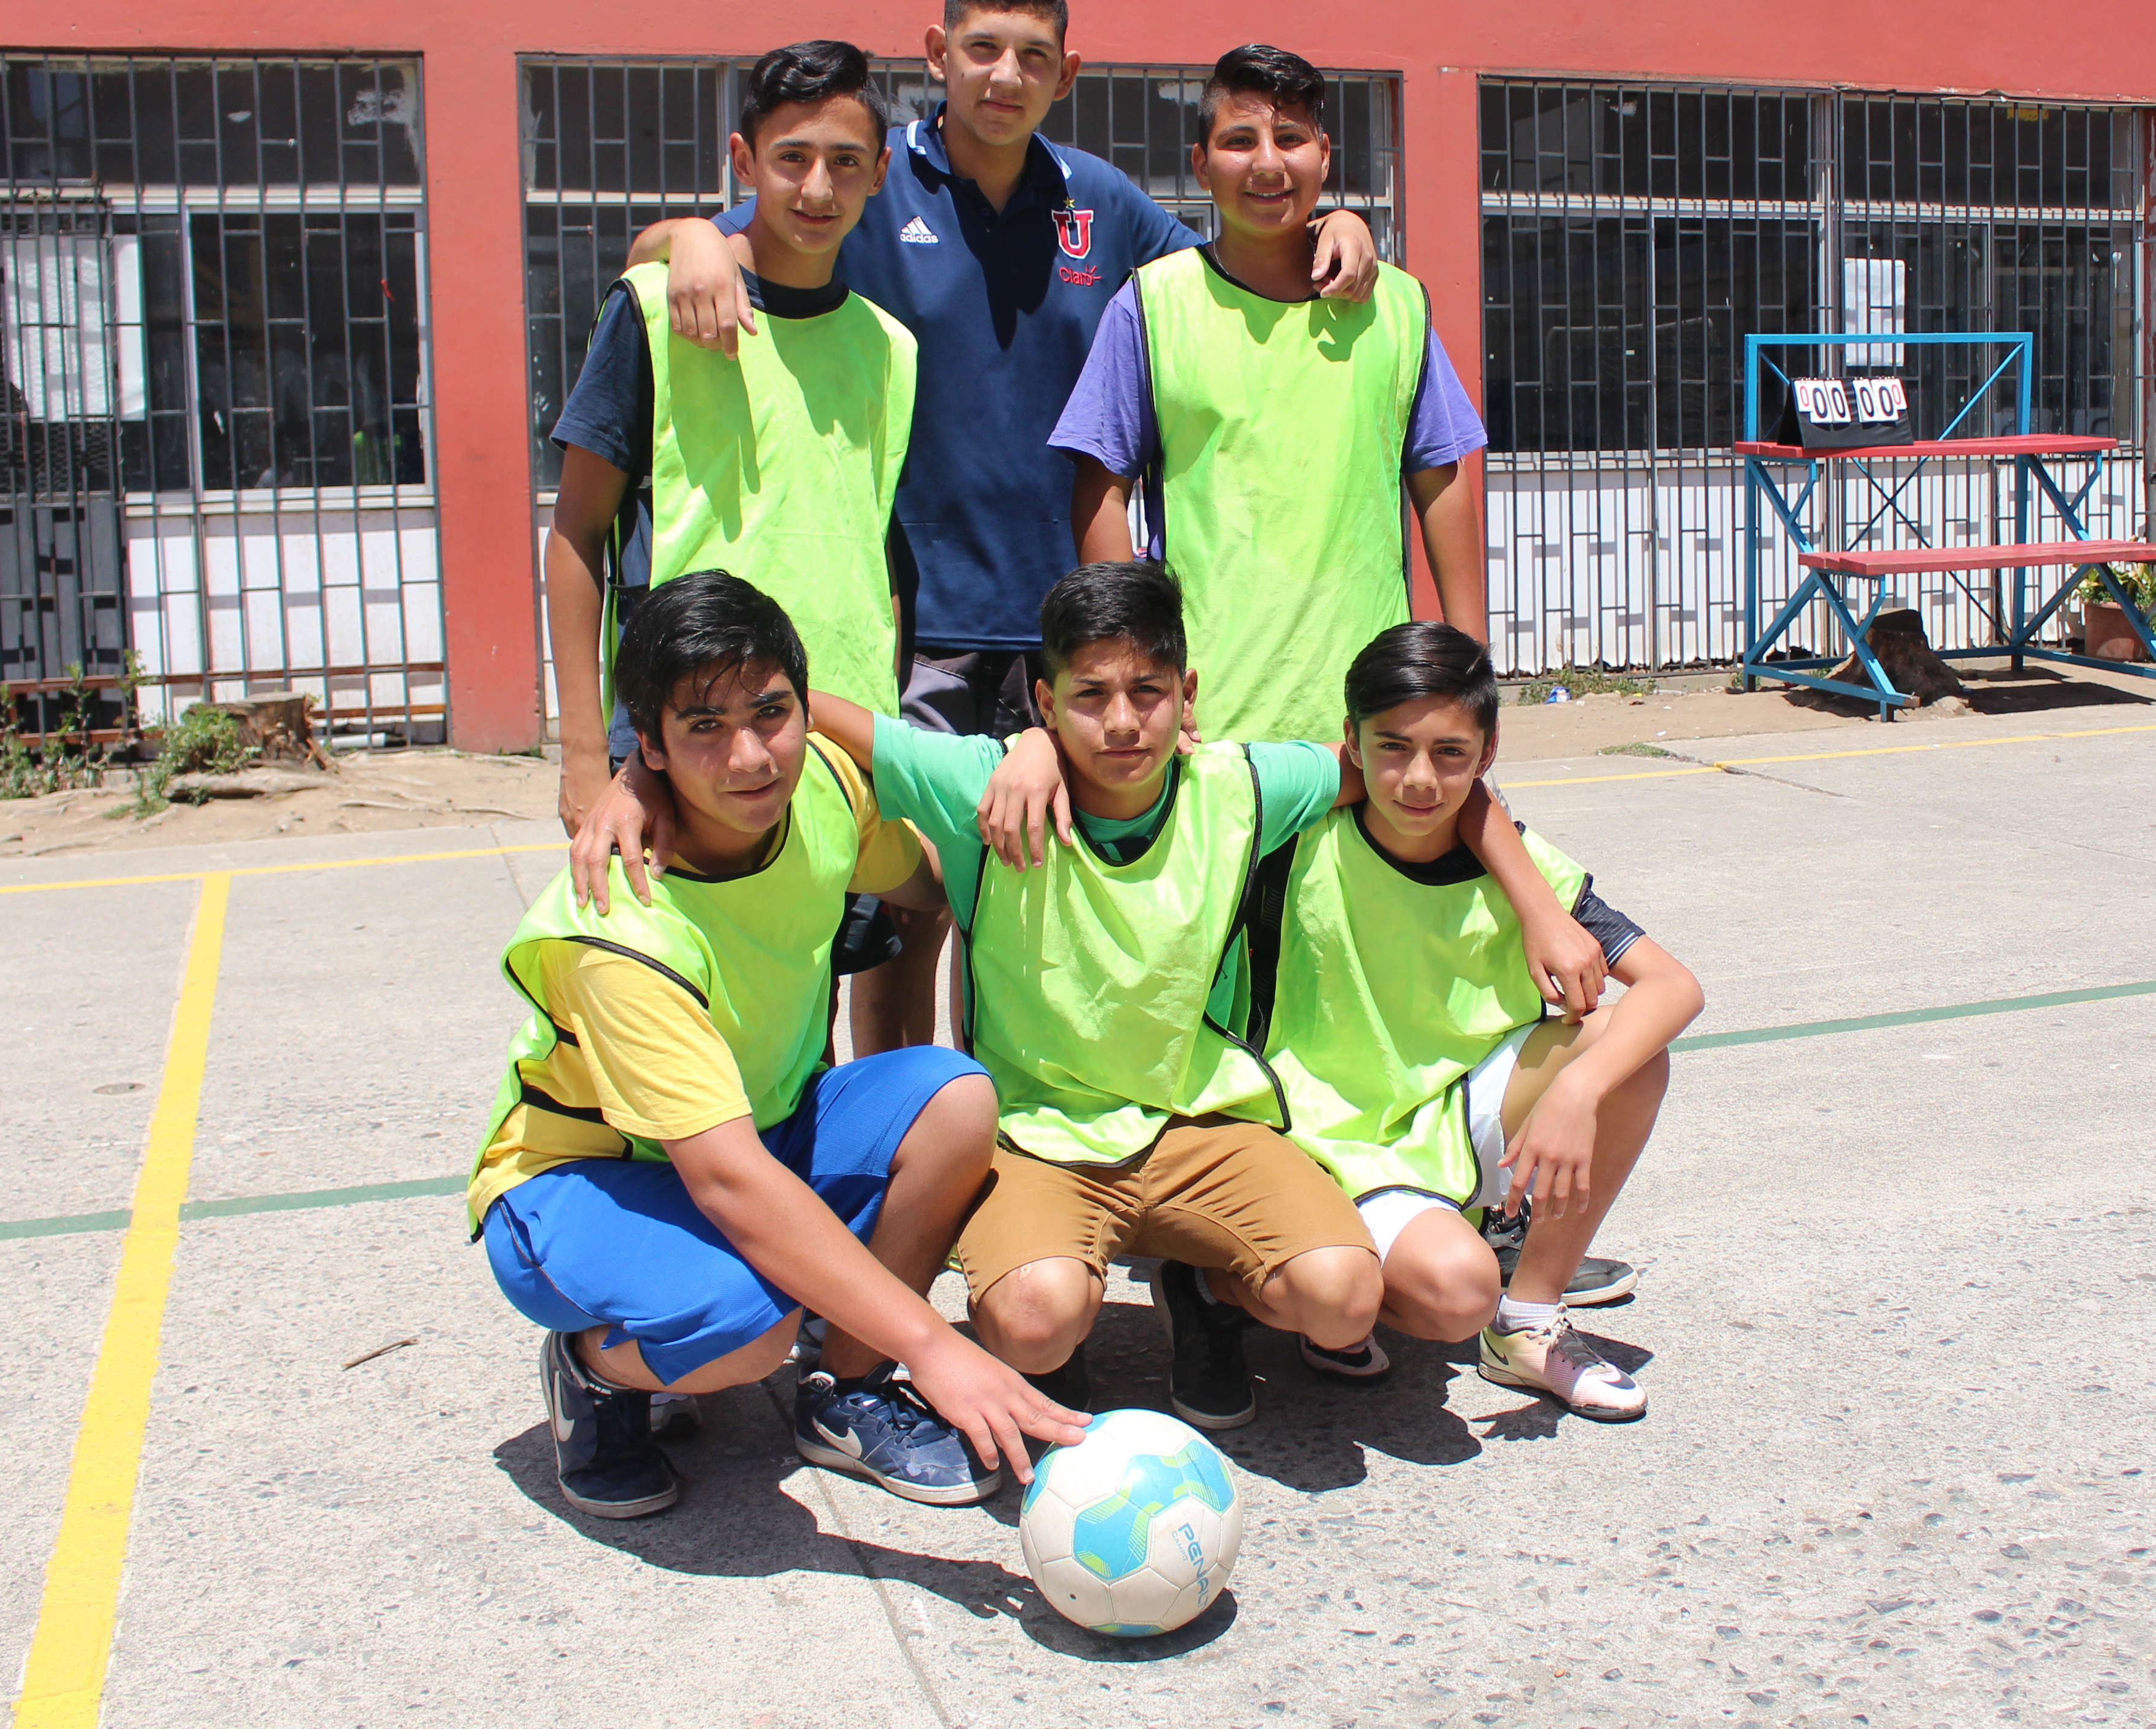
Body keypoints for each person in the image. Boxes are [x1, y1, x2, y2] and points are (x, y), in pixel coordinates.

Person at [572, 561, 1611, 1432]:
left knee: (1344, 1299)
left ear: (1187, 695)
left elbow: (1418, 772)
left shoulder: (1245, 785)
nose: (1120, 722)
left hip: (1200, 1120)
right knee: (1033, 1321)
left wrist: (1535, 902)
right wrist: (638, 774)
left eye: (1146, 692)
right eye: (1086, 697)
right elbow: (816, 722)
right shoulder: (980, 779)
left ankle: (1206, 1289)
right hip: (1038, 1132)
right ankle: (1032, 1324)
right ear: (1042, 702)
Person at [623, 0, 1384, 1049]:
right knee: (902, 898)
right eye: (980, 47)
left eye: (1032, 54)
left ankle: (1011, 1122)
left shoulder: (1100, 202)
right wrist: (688, 233)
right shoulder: (876, 182)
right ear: (938, 54)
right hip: (921, 622)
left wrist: (1337, 221)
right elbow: (712, 251)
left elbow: (1234, 268)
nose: (1003, 75)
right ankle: (892, 1114)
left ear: (1065, 71)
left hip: (1065, 628)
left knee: (1032, 880)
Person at [470, 571, 1082, 1521]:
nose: (751, 756)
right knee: (748, 1326)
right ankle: (594, 1369)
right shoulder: (622, 929)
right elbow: (726, 1184)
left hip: (767, 1130)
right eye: (704, 728)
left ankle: (843, 1389)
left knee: (954, 1098)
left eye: (771, 712)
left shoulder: (827, 793)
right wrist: (936, 1343)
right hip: (585, 1182)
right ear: (652, 742)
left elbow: (926, 879)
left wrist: (1040, 763)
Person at [544, 40, 920, 1051]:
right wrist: (588, 757)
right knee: (685, 1025)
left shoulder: (890, 349)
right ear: (742, 160)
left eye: (846, 162)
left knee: (807, 1024)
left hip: (835, 748)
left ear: (880, 175)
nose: (817, 186)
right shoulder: (660, 312)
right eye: (791, 158)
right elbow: (576, 533)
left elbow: (865, 555)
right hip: (693, 743)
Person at [1258, 622, 1699, 1421]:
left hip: (1454, 1109)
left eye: (1450, 754)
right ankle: (1319, 1283)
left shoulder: (1522, 864)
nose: (1420, 778)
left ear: (1487, 754)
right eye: (1392, 747)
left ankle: (1528, 1320)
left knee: (1632, 1054)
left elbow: (1674, 987)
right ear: (1351, 744)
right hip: (1332, 1130)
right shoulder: (1298, 839)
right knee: (1453, 1295)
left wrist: (1577, 1092)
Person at [1051, 42, 1487, 746]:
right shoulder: (1152, 307)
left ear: (1323, 152)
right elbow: (1100, 493)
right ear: (1201, 163)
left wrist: (1471, 669)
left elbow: (1440, 480)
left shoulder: (1398, 305)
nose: (1267, 164)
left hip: (1371, 719)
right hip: (1213, 717)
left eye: (1289, 139)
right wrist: (1139, 672)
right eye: (1239, 141)